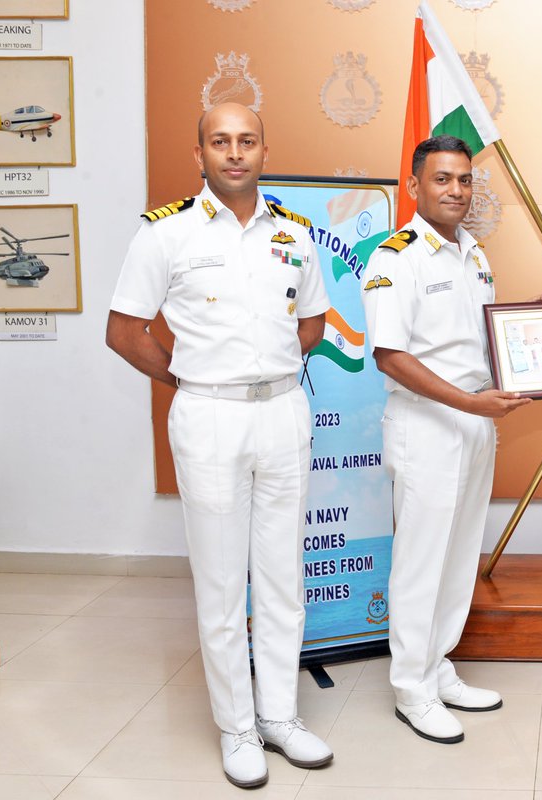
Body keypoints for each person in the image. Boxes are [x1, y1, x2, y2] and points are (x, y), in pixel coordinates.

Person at [106, 103, 334, 788]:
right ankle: (237, 726)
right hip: (208, 418)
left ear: (266, 150)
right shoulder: (164, 235)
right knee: (219, 580)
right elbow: (125, 332)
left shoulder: (295, 236)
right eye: (219, 141)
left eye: (247, 141)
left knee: (282, 577)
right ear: (199, 152)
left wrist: (260, 374)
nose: (234, 153)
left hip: (283, 414)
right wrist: (193, 378)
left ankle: (280, 717)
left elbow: (315, 325)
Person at [360, 135, 531, 745]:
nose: (456, 190)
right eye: (442, 179)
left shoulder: (474, 254)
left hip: (475, 420)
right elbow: (389, 356)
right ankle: (410, 687)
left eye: (464, 180)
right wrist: (470, 403)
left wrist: (529, 354)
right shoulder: (395, 257)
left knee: (460, 554)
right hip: (426, 423)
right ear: (414, 185)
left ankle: (438, 666)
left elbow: (480, 344)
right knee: (421, 559)